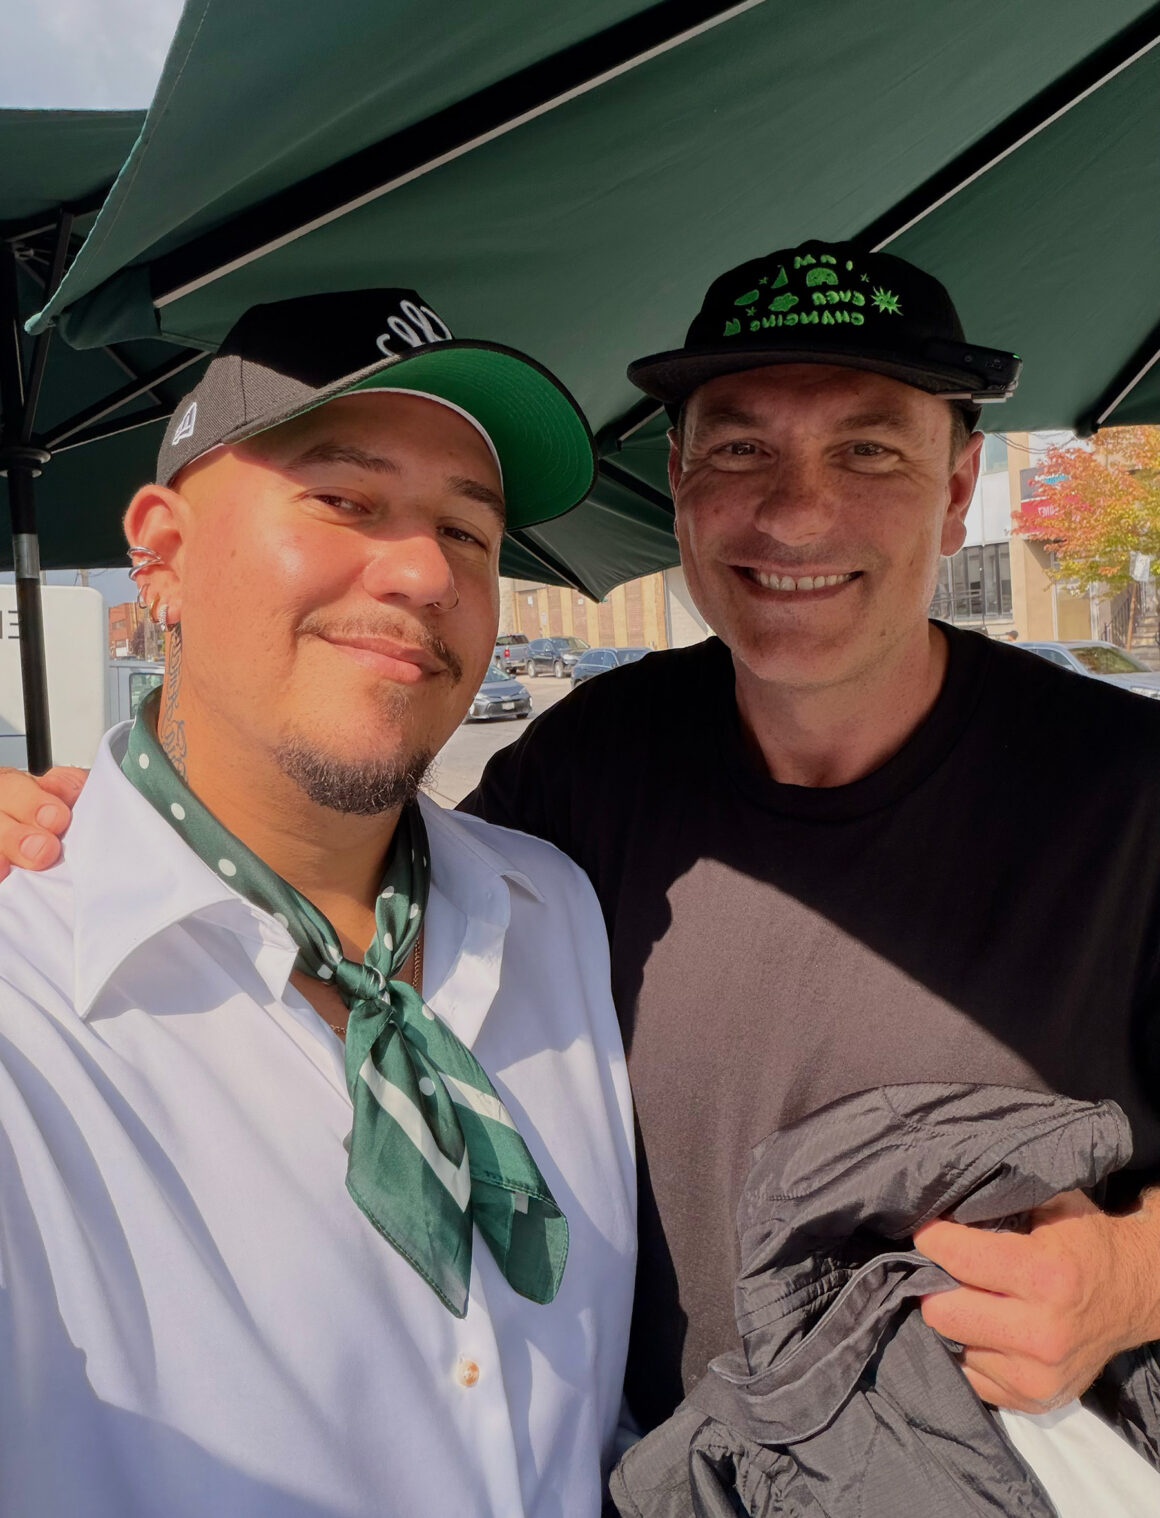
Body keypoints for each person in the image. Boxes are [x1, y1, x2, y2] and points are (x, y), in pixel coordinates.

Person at [5, 245, 1160, 1458]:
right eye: (738, 449)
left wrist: (1127, 1275)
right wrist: (77, 832)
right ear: (676, 478)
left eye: (868, 450)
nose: (795, 509)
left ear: (957, 484)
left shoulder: (1130, 788)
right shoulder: (572, 791)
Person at [0, 289, 635, 1518]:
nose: (421, 573)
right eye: (344, 501)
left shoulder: (554, 915)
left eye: (469, 531)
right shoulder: (31, 998)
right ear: (162, 550)